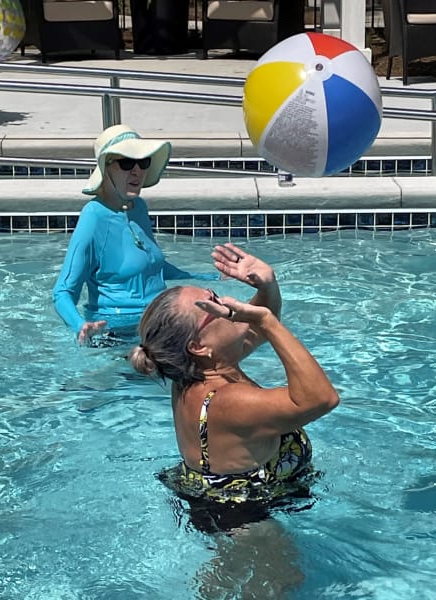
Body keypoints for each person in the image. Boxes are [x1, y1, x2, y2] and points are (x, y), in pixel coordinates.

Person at [129, 242, 339, 505]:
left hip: (220, 500)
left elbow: (255, 330)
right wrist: (266, 320)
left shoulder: (195, 370)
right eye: (213, 307)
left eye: (215, 295)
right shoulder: (229, 401)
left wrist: (267, 285)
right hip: (245, 523)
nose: (227, 304)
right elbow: (321, 398)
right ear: (198, 346)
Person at [53, 124, 215, 346]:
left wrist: (207, 277)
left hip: (159, 321)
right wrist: (80, 325)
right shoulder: (93, 217)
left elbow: (152, 266)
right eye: (127, 163)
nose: (137, 171)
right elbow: (63, 291)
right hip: (119, 333)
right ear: (106, 168)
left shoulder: (138, 207)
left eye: (143, 162)